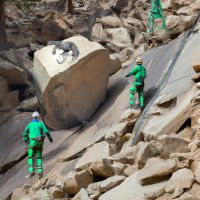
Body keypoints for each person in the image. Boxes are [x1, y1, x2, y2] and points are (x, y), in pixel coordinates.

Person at [23, 111, 53, 178]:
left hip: (32, 142)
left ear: (32, 117)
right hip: (40, 142)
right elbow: (46, 132)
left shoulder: (29, 124)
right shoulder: (41, 124)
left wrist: (25, 140)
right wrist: (50, 139)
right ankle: (39, 170)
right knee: (38, 156)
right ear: (38, 117)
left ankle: (31, 170)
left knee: (30, 156)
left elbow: (25, 133)